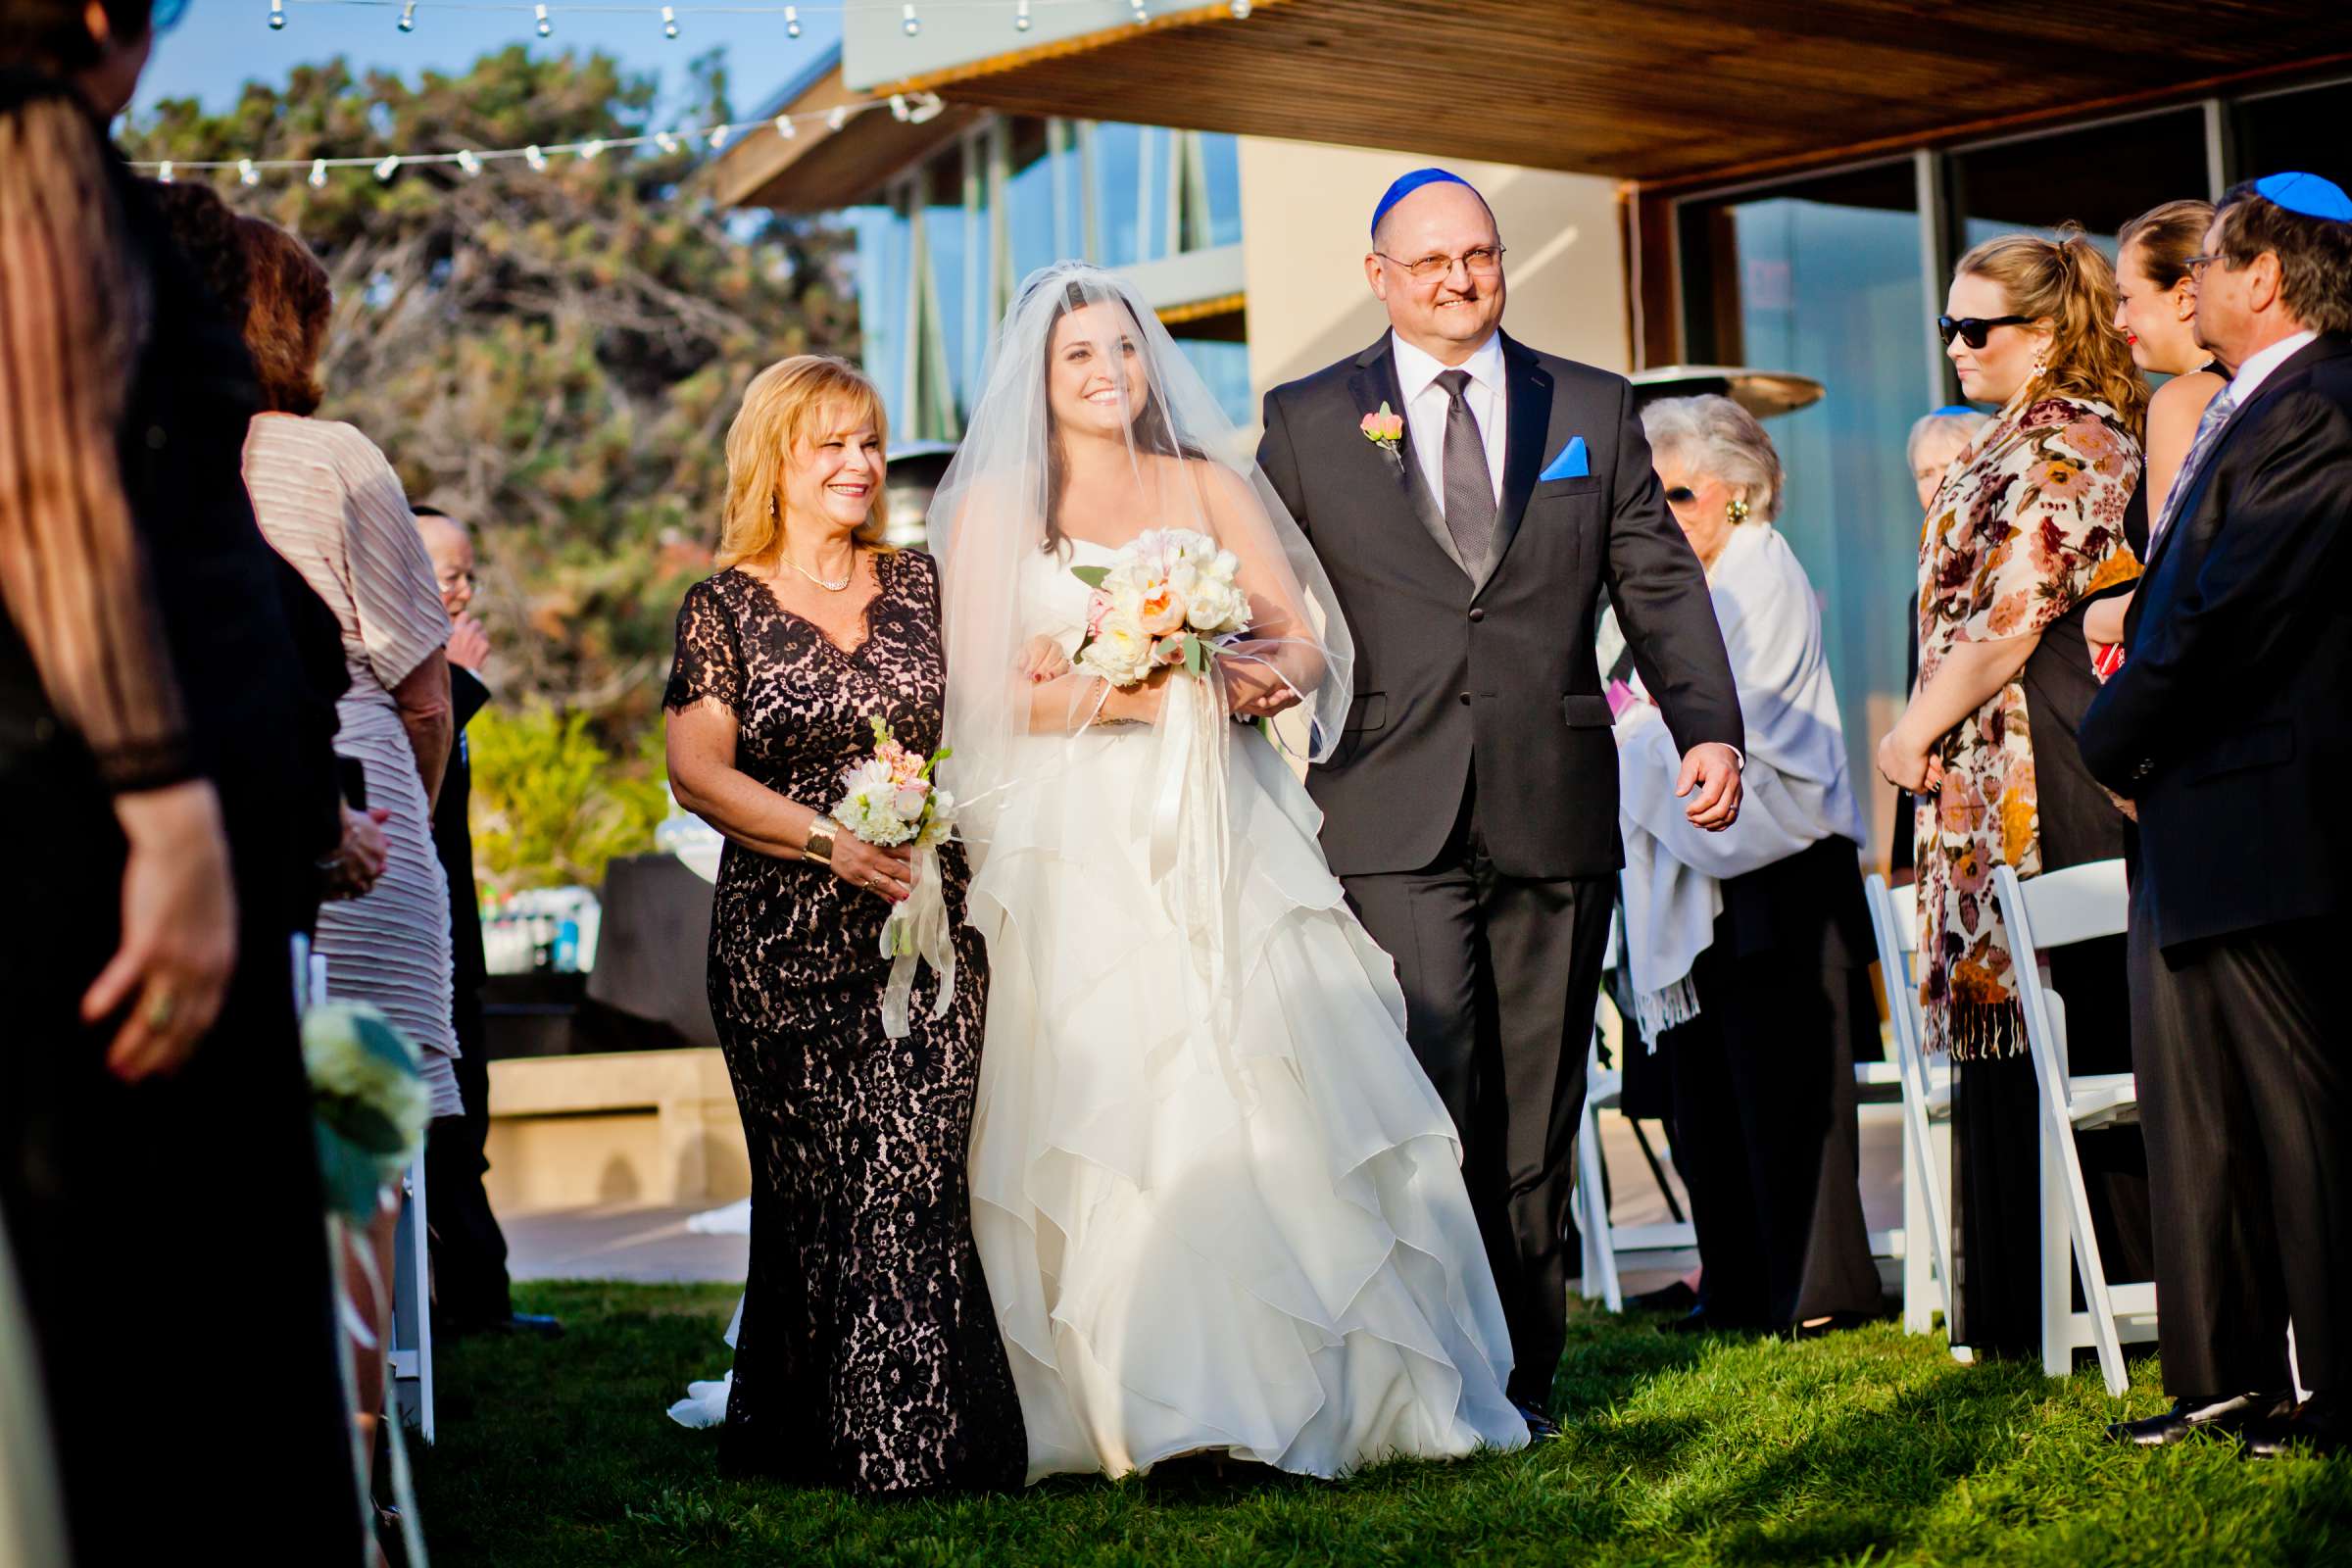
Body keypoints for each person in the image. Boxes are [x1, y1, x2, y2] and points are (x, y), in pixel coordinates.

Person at [941, 263, 1529, 1480]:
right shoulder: (1006, 505)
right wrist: (1136, 681)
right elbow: (988, 692)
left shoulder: (1206, 482)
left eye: (1122, 350)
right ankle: (1119, 1397)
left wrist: (1242, 671)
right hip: (1074, 838)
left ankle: (1325, 1381)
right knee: (1107, 1082)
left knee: (1257, 1056)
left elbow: (1300, 632)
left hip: (1225, 812)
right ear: (1038, 384)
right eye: (1079, 358)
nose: (1108, 375)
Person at [1254, 169, 1744, 1423]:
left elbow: (1655, 575)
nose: (1461, 280)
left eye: (1479, 255)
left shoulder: (1587, 401)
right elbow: (1259, 592)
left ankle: (1521, 1376)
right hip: (1384, 801)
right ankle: (1425, 1365)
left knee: (1537, 1102)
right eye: (1431, 264)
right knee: (1428, 1085)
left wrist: (1709, 728)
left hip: (1551, 796)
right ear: (1380, 277)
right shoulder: (1310, 419)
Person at [0, 3, 364, 1561]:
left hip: (122, 820)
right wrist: (167, 809)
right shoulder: (32, 140)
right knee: (167, 1335)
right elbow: (49, 479)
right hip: (101, 839)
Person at [664, 354, 1024, 1494]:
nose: (861, 464)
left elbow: (1001, 701)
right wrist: (831, 841)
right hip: (780, 943)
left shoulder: (921, 585)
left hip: (926, 934)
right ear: (774, 458)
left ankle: (910, 1446)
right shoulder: (722, 607)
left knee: (914, 1171)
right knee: (817, 1188)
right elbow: (696, 771)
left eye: (869, 442)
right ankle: (806, 1431)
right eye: (832, 444)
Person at [2081, 172, 2352, 1458]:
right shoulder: (2250, 401)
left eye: (2214, 266)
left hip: (2270, 821)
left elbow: (2233, 610)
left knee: (2301, 1128)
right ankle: (2223, 1380)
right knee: (2197, 1116)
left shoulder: (2328, 400)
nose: (2195, 291)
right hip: (2193, 818)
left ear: (2268, 276)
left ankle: (2330, 1393)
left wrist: (2112, 728)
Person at [1877, 228, 2152, 1362]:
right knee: (2008, 1041)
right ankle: (2016, 1316)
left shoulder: (2077, 442)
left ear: (2045, 335)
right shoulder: (2001, 441)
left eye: (1974, 327)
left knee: (2086, 1028)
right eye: (1945, 323)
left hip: (2055, 766)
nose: (1952, 346)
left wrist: (1911, 730)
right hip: (1989, 773)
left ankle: (2124, 1291)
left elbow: (2012, 617)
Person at [1615, 396, 1881, 1339]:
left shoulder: (1759, 568)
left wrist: (1636, 735)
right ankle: (1733, 1281)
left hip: (1777, 867)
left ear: (1736, 496)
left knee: (1784, 1092)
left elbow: (1749, 716)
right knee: (1709, 1095)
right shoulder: (1691, 581)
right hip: (1705, 865)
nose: (1663, 510)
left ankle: (1814, 1291)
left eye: (1677, 492)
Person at [415, 505, 556, 1340]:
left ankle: (476, 1297)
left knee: (471, 1113)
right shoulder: (401, 675)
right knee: (449, 1118)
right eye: (447, 574)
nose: (464, 591)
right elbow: (405, 788)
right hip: (412, 939)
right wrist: (457, 687)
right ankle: (472, 1302)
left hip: (458, 936)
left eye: (469, 573)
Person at [2084, 198, 2227, 656]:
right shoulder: (2254, 386)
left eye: (2126, 299)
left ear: (2185, 297)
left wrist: (2092, 618)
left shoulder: (2182, 401)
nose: (2117, 320)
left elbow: (2172, 589)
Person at [1890, 407, 1991, 882]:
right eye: (1924, 473)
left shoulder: (2007, 563)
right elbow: (1917, 704)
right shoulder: (1923, 589)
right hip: (1942, 803)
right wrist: (1901, 860)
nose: (1937, 484)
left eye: (1950, 465)